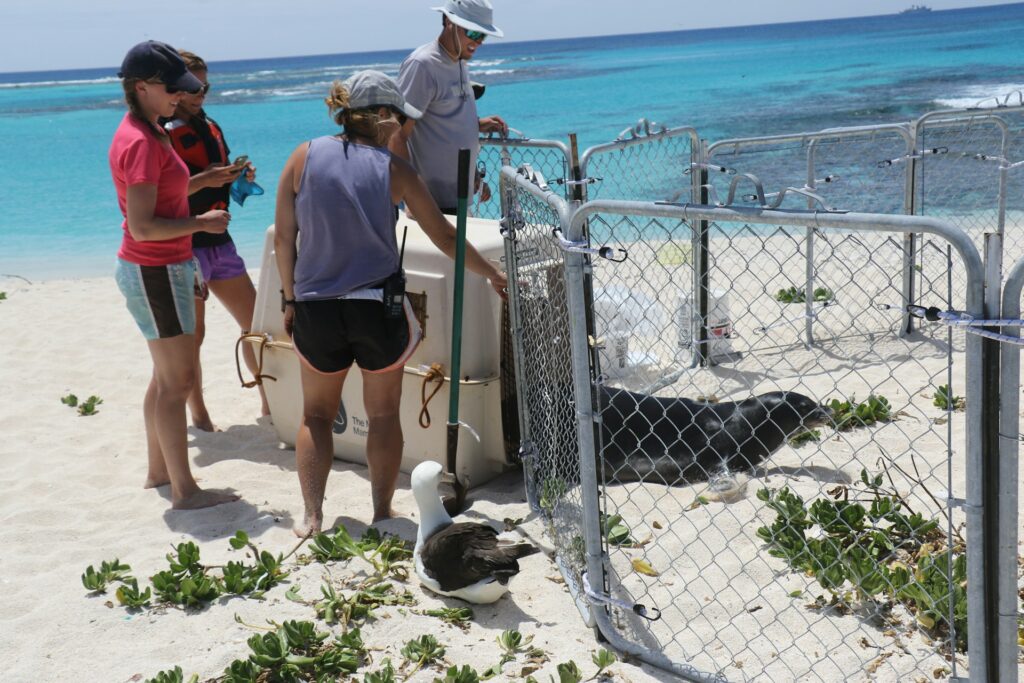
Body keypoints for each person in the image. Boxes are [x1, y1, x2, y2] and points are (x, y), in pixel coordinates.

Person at [275, 70, 507, 535]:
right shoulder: (395, 170)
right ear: (382, 116)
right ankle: (382, 512)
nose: (406, 126)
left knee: (316, 415)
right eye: (402, 117)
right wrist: (493, 274)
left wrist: (289, 297)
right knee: (382, 415)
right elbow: (443, 236)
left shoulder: (302, 156)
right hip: (375, 308)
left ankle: (312, 517)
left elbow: (285, 236)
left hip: (316, 307)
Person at [109, 40, 239, 509]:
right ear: (141, 87)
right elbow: (143, 226)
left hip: (163, 267)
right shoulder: (142, 141)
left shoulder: (150, 129)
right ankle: (185, 491)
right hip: (155, 269)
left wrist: (207, 181)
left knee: (165, 379)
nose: (179, 97)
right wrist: (200, 224)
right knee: (177, 382)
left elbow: (169, 188)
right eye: (172, 89)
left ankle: (158, 473)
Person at [163, 50, 269, 431]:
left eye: (205, 85)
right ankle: (200, 413)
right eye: (194, 86)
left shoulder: (209, 125)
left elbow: (212, 175)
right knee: (195, 335)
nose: (201, 92)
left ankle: (269, 401)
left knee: (256, 322)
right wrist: (207, 179)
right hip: (185, 245)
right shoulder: (163, 132)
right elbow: (159, 196)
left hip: (220, 242)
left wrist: (236, 175)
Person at [389, 0, 508, 214]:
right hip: (432, 204)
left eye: (483, 35)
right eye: (473, 33)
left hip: (460, 198)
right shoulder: (422, 65)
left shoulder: (460, 60)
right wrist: (414, 196)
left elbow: (439, 114)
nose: (478, 41)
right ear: (448, 21)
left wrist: (476, 125)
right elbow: (397, 134)